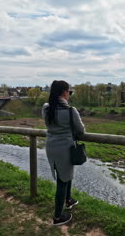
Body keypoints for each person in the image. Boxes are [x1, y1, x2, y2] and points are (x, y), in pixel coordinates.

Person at [42, 80, 85, 226]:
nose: (70, 95)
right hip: (65, 149)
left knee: (65, 174)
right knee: (62, 180)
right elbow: (81, 130)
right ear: (64, 92)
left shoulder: (47, 108)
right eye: (69, 92)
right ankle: (58, 217)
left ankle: (69, 200)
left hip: (50, 146)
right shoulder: (70, 111)